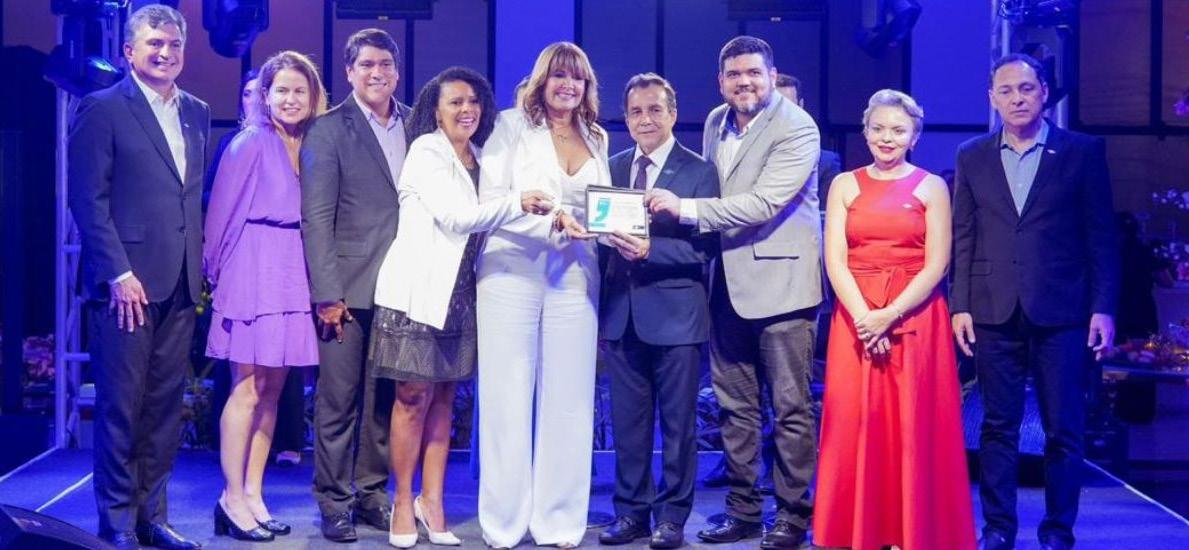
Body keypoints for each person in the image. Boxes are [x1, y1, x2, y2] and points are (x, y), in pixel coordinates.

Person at [646, 36, 821, 550]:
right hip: (726, 283)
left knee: (789, 409)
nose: (745, 82)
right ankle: (743, 511)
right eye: (735, 75)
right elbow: (712, 185)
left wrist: (684, 210)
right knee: (734, 408)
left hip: (784, 288)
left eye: (754, 73)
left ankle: (792, 515)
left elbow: (763, 203)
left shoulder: (797, 127)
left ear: (772, 76)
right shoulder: (716, 122)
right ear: (720, 81)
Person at [370, 66, 554, 548]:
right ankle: (403, 501)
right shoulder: (426, 151)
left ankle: (433, 502)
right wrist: (519, 201)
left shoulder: (482, 156)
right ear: (436, 110)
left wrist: (551, 218)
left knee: (444, 402)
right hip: (420, 293)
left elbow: (500, 216)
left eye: (473, 101)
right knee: (412, 398)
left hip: (463, 295)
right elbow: (456, 218)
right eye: (455, 101)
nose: (466, 109)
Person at [951, 53, 1120, 550]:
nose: (1017, 98)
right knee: (996, 427)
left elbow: (1101, 235)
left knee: (1064, 428)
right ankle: (998, 529)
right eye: (1006, 90)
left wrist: (1103, 306)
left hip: (1064, 310)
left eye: (1026, 88)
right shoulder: (972, 155)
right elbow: (964, 236)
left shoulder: (1082, 151)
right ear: (992, 98)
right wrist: (960, 304)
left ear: (1044, 92)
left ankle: (1057, 531)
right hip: (992, 307)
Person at [66, 4, 208, 549]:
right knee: (121, 409)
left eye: (173, 44)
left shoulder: (196, 111)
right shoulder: (102, 108)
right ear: (129, 51)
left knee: (164, 409)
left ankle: (153, 517)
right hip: (125, 287)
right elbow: (88, 199)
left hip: (179, 282)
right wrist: (118, 272)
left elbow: (186, 199)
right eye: (154, 43)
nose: (165, 53)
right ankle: (118, 523)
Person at [814, 89, 976, 550]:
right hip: (855, 318)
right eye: (879, 128)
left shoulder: (932, 186)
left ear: (914, 136)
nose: (887, 138)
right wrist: (865, 317)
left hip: (916, 319)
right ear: (866, 132)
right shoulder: (843, 184)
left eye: (898, 130)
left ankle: (913, 531)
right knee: (855, 422)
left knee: (913, 428)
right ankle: (858, 531)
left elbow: (937, 264)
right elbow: (835, 260)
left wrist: (889, 315)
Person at [476, 42, 611, 548]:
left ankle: (559, 521)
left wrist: (619, 232)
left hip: (575, 272)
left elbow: (603, 208)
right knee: (506, 397)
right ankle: (504, 523)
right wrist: (550, 218)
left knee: (570, 400)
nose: (568, 85)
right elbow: (492, 199)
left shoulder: (596, 135)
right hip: (511, 269)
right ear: (541, 81)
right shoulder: (510, 125)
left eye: (577, 78)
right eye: (559, 76)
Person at [203, 50, 327, 542]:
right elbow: (220, 213)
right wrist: (218, 276)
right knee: (248, 387)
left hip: (293, 268)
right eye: (282, 90)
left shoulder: (311, 143)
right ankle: (230, 498)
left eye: (300, 90)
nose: (291, 99)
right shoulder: (250, 141)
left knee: (273, 390)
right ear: (266, 96)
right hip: (252, 267)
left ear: (313, 97)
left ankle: (254, 495)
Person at [596, 74, 719, 550]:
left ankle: (671, 518)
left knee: (677, 426)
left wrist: (650, 250)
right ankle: (631, 513)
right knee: (628, 425)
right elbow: (600, 244)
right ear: (626, 119)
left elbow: (705, 251)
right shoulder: (611, 167)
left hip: (676, 317)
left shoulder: (699, 171)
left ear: (672, 113)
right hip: (620, 315)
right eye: (635, 112)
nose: (644, 119)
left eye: (654, 110)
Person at [301, 28, 411, 543]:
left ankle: (370, 494)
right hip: (344, 291)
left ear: (397, 70)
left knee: (383, 401)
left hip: (401, 287)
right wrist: (327, 293)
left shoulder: (415, 122)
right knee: (338, 401)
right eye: (366, 64)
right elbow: (316, 218)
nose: (376, 73)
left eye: (385, 64)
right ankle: (333, 501)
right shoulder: (328, 129)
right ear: (349, 72)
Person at [775, 73, 841, 211]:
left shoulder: (825, 163)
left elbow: (826, 217)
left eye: (789, 106)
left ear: (801, 105)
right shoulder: (747, 156)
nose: (781, 114)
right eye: (774, 107)